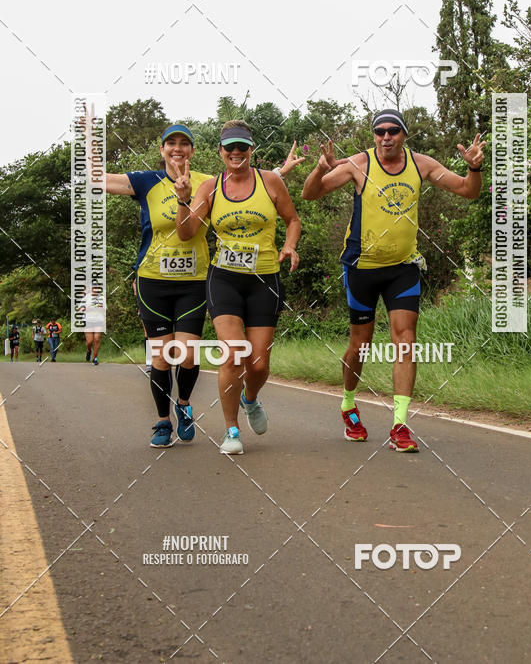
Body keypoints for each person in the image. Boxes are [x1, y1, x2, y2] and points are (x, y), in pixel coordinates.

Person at [101, 122, 302, 448]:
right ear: (162, 149)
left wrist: (281, 174)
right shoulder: (153, 182)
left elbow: (248, 185)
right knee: (169, 356)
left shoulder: (209, 181)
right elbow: (100, 181)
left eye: (184, 143)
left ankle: (211, 402)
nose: (178, 149)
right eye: (171, 143)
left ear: (193, 151)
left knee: (211, 357)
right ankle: (180, 423)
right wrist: (84, 151)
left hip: (209, 281)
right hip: (171, 280)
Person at [302, 109, 485, 452]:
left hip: (403, 267)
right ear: (374, 135)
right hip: (362, 267)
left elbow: (467, 191)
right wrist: (319, 169)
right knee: (361, 345)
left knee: (406, 341)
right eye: (380, 131)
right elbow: (311, 194)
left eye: (393, 131)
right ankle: (348, 405)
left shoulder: (422, 164)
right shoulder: (358, 164)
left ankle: (400, 425)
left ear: (404, 134)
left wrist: (474, 169)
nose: (386, 137)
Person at [175, 120, 301, 456]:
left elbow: (292, 220)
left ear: (251, 150)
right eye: (229, 147)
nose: (235, 152)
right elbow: (186, 233)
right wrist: (183, 201)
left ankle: (250, 398)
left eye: (241, 147)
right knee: (233, 354)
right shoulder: (210, 188)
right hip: (224, 280)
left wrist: (289, 245)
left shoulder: (270, 181)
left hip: (264, 280)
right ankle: (231, 430)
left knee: (258, 365)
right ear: (220, 151)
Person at [132, 279, 151, 374]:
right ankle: (149, 363)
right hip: (144, 306)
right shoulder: (143, 273)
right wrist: (136, 291)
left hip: (159, 303)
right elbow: (134, 282)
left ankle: (161, 361)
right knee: (147, 333)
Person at [84, 286, 104, 365]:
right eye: (94, 288)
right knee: (89, 342)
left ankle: (95, 358)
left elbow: (104, 309)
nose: (95, 290)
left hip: (98, 320)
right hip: (88, 321)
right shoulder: (86, 297)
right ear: (91, 289)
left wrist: (99, 307)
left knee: (97, 339)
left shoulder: (101, 298)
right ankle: (89, 350)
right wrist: (89, 307)